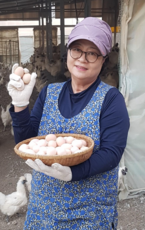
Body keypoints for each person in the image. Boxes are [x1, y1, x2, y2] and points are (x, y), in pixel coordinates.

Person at [8, 17, 130, 229]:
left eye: (92, 53)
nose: (82, 58)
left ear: (103, 59)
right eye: (77, 50)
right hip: (43, 212)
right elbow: (27, 142)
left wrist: (74, 172)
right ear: (68, 53)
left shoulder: (111, 99)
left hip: (89, 215)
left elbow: (112, 153)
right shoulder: (49, 93)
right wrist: (20, 105)